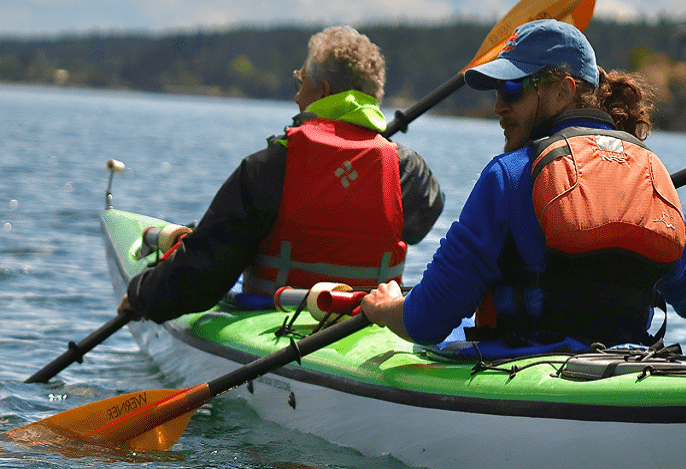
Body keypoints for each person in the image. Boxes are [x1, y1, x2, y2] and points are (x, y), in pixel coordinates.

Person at [361, 19, 686, 349]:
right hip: (625, 372)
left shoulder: (507, 175)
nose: (498, 108)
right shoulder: (648, 177)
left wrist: (386, 308)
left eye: (511, 89)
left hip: (523, 375)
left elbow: (426, 322)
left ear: (563, 91)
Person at [119, 25, 445, 323]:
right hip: (366, 327)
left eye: (300, 82)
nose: (296, 95)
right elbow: (417, 226)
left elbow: (205, 274)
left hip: (276, 324)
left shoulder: (272, 167)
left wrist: (141, 295)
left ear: (322, 91)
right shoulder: (408, 170)